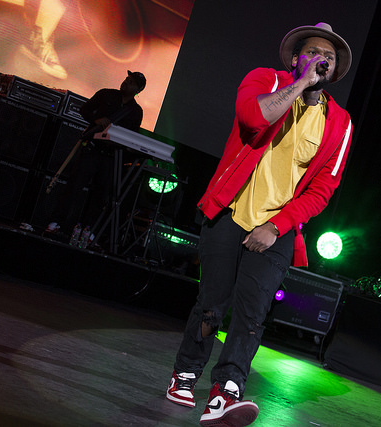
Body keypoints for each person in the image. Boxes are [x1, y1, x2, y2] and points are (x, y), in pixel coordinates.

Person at [165, 23, 353, 427]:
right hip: (229, 211)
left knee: (252, 314)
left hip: (276, 229)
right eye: (313, 52)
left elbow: (323, 188)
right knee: (212, 304)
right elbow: (252, 119)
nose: (321, 59)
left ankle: (226, 392)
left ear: (336, 70)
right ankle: (186, 372)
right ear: (296, 59)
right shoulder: (264, 80)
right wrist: (301, 84)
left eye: (329, 56)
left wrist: (277, 226)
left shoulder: (340, 123)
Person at [44, 70, 146, 245]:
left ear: (138, 90)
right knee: (74, 187)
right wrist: (96, 120)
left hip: (111, 157)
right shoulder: (106, 94)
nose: (125, 82)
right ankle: (56, 223)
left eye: (131, 82)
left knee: (100, 196)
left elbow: (132, 136)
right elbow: (84, 109)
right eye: (126, 79)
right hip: (92, 149)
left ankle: (87, 230)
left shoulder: (136, 112)